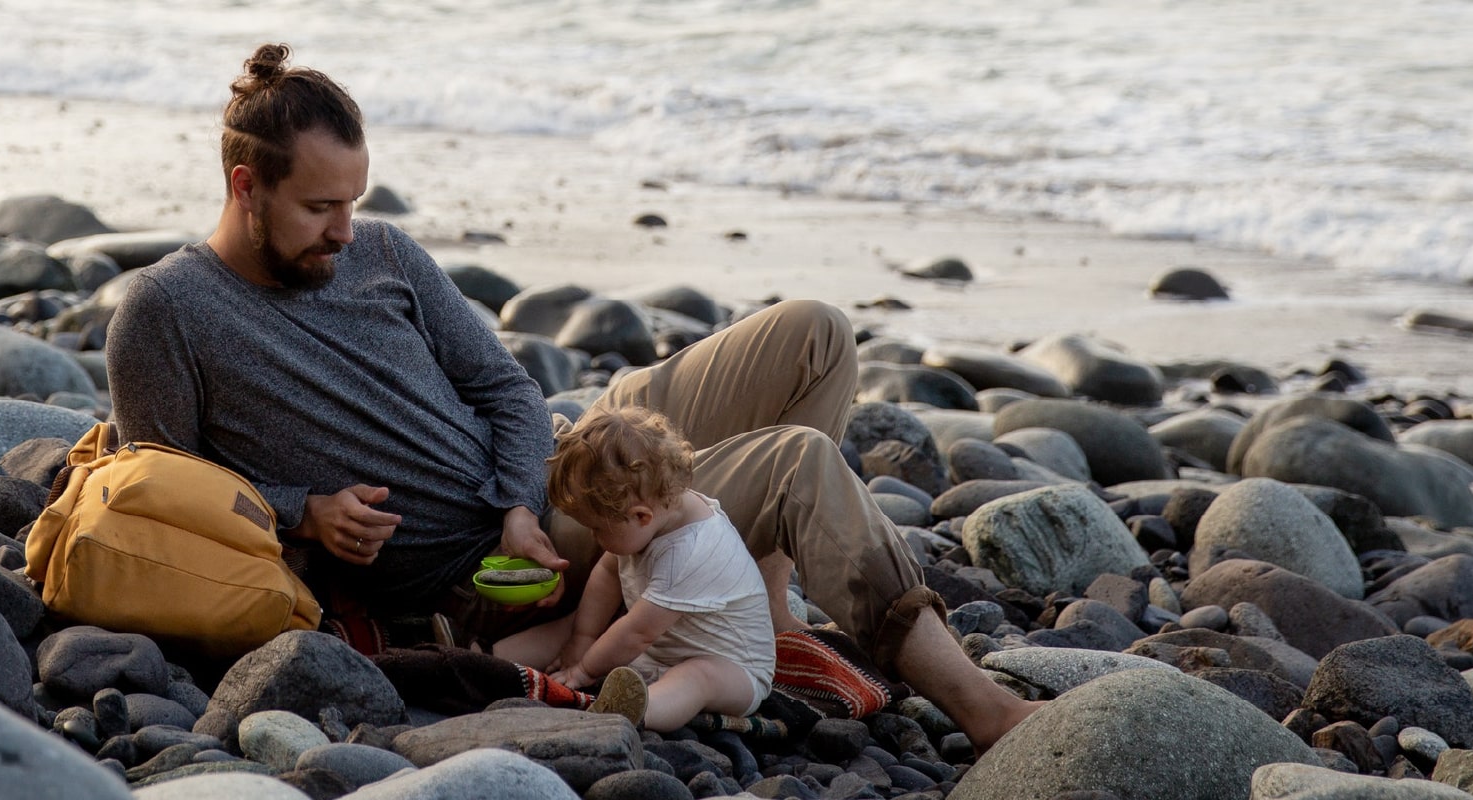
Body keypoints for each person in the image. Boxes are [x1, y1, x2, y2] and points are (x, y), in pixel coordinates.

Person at [104, 43, 1037, 749]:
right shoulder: (167, 314)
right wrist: (304, 514)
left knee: (816, 334)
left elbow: (506, 386)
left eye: (355, 202)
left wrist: (517, 501)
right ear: (246, 187)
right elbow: (160, 496)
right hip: (484, 563)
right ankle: (981, 707)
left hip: (554, 474)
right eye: (320, 209)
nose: (346, 231)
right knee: (795, 464)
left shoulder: (383, 251)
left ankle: (760, 604)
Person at [502, 407, 784, 731]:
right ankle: (483, 655)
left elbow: (639, 633)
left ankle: (633, 711)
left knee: (697, 677)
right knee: (574, 624)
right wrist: (583, 638)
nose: (594, 538)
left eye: (596, 529)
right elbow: (607, 575)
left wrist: (583, 671)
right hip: (659, 649)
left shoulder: (691, 551)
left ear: (640, 516)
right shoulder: (652, 516)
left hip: (735, 668)